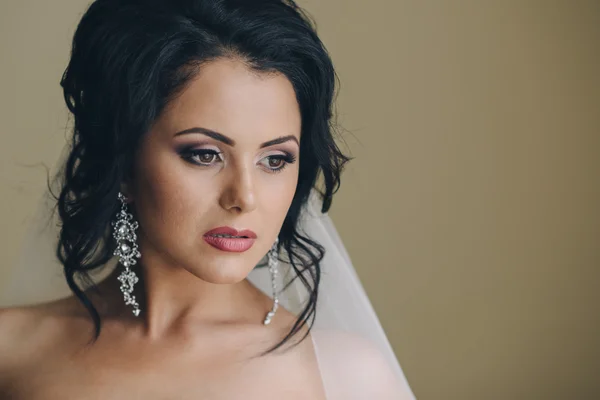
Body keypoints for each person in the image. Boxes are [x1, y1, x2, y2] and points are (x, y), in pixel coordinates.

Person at [0, 0, 417, 398]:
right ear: (123, 163)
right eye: (205, 155)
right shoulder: (12, 349)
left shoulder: (345, 374)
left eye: (275, 159)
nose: (244, 197)